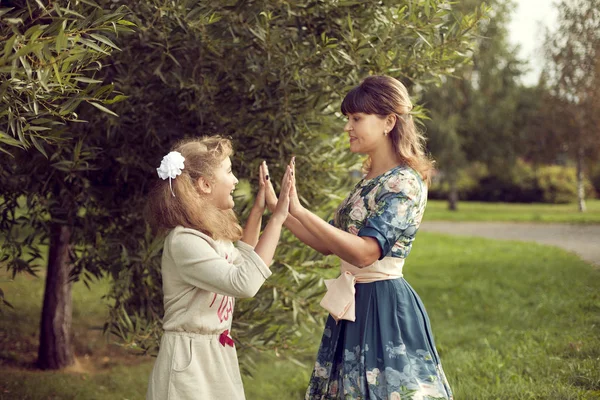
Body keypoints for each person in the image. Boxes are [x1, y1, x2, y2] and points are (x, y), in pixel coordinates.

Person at [265, 75, 453, 399]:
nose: (347, 127)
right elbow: (328, 244)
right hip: (353, 305)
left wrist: (301, 210)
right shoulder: (369, 180)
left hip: (382, 306)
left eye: (356, 119)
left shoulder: (403, 184)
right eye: (347, 119)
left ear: (388, 122)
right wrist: (281, 210)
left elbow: (366, 253)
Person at [145, 136, 293, 400]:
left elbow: (243, 263)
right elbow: (244, 283)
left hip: (215, 350)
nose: (235, 180)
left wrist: (259, 212)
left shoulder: (211, 236)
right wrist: (279, 217)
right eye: (228, 171)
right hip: (188, 361)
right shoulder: (185, 241)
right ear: (204, 185)